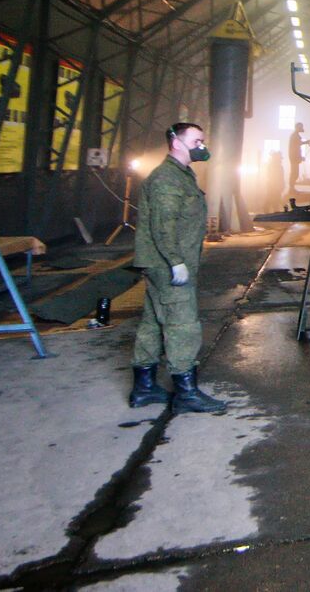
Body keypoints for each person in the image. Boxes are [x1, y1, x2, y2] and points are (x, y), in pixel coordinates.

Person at [128, 122, 226, 414]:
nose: (202, 147)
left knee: (153, 324)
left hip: (160, 263)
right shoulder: (167, 179)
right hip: (167, 265)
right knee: (183, 325)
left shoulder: (180, 174)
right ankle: (186, 394)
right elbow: (163, 225)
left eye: (202, 141)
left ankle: (144, 388)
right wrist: (176, 261)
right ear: (176, 142)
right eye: (196, 141)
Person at [287, 122, 310, 195]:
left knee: (295, 173)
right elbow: (298, 144)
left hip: (294, 157)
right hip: (294, 157)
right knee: (294, 173)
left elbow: (297, 146)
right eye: (301, 127)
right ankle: (291, 189)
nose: (302, 128)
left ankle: (292, 189)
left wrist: (300, 157)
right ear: (297, 128)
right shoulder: (295, 136)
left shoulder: (295, 135)